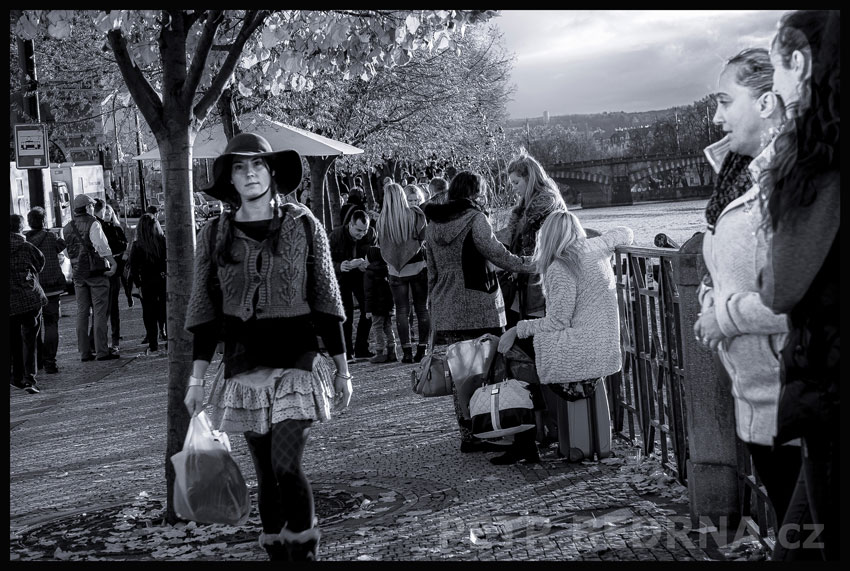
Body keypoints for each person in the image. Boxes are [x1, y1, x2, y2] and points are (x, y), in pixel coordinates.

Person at [183, 132, 351, 562]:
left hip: (299, 358)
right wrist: (196, 380)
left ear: (272, 173)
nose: (250, 173)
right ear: (231, 180)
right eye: (239, 167)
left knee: (285, 464)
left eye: (257, 164)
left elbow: (327, 299)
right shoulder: (215, 233)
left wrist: (342, 368)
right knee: (265, 472)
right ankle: (278, 550)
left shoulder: (302, 223)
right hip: (245, 363)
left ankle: (304, 552)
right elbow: (204, 312)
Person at [692, 48, 802, 544]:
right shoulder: (736, 177)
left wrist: (726, 319)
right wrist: (709, 296)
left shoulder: (798, 182)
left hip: (799, 404)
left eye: (724, 100)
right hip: (757, 404)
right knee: (799, 534)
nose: (715, 116)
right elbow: (727, 267)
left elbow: (811, 297)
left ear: (765, 103)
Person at [756, 10, 839, 561]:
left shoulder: (815, 164)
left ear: (802, 64)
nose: (773, 84)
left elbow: (779, 286)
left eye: (776, 67)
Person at [499, 211, 633, 463]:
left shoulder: (561, 267)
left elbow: (557, 321)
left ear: (546, 237)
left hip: (582, 345)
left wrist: (516, 329)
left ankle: (533, 433)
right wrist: (599, 237)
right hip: (606, 343)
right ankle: (548, 430)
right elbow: (626, 231)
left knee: (519, 354)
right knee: (531, 346)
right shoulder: (597, 246)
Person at [422, 171, 535, 454]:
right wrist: (530, 264)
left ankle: (468, 435)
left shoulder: (433, 223)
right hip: (480, 305)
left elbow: (432, 271)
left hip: (446, 305)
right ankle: (490, 425)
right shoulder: (475, 218)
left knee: (461, 373)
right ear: (474, 194)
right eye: (482, 193)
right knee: (490, 370)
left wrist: (433, 305)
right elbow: (497, 254)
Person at [503, 151, 569, 446]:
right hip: (528, 282)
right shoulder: (529, 206)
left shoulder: (544, 205)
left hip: (538, 284)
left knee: (538, 349)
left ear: (529, 178)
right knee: (532, 351)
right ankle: (541, 424)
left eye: (516, 182)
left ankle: (547, 425)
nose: (513, 188)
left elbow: (542, 250)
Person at [377, 183, 431, 363]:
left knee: (401, 311)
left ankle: (407, 352)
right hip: (418, 267)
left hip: (395, 272)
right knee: (422, 309)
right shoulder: (415, 215)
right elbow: (424, 238)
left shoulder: (382, 221)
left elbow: (382, 247)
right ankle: (421, 349)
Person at [63, 194, 119, 361]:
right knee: (100, 312)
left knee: (82, 313)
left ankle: (84, 352)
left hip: (78, 274)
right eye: (92, 206)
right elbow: (101, 245)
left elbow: (67, 252)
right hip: (95, 272)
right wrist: (112, 262)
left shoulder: (67, 227)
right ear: (88, 207)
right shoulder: (93, 223)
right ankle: (102, 350)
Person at [329, 208, 377, 362]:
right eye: (358, 230)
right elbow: (324, 259)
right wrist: (339, 265)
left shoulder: (371, 233)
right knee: (346, 314)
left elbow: (375, 255)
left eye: (364, 230)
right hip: (341, 277)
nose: (361, 234)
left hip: (361, 276)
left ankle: (361, 348)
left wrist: (367, 263)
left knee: (368, 310)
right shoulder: (335, 235)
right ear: (350, 224)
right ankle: (347, 352)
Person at [25, 207, 67, 375]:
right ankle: (50, 361)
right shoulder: (51, 237)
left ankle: (37, 360)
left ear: (29, 222)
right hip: (52, 287)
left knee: (33, 325)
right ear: (43, 221)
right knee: (51, 324)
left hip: (33, 288)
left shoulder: (25, 241)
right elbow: (62, 245)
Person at [10, 214, 48, 394]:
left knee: (13, 341)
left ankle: (15, 377)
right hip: (28, 299)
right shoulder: (27, 247)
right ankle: (29, 379)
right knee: (30, 340)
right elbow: (40, 263)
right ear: (20, 228)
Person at [128, 214, 167, 356]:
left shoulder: (138, 245)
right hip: (163, 281)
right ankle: (169, 341)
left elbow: (133, 268)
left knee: (149, 314)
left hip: (146, 283)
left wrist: (138, 285)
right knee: (165, 311)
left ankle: (153, 345)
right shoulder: (163, 241)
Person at [94, 200, 129, 352]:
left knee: (112, 306)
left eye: (109, 213)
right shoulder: (98, 227)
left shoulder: (115, 227)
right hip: (106, 268)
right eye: (105, 212)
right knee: (104, 308)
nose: (107, 215)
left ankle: (114, 338)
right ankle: (102, 339)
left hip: (114, 268)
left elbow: (124, 244)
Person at [363, 245, 398, 363]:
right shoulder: (387, 269)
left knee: (377, 327)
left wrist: (368, 310)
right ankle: (392, 350)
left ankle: (380, 351)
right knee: (388, 326)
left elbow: (369, 293)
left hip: (376, 307)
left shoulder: (369, 273)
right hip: (387, 306)